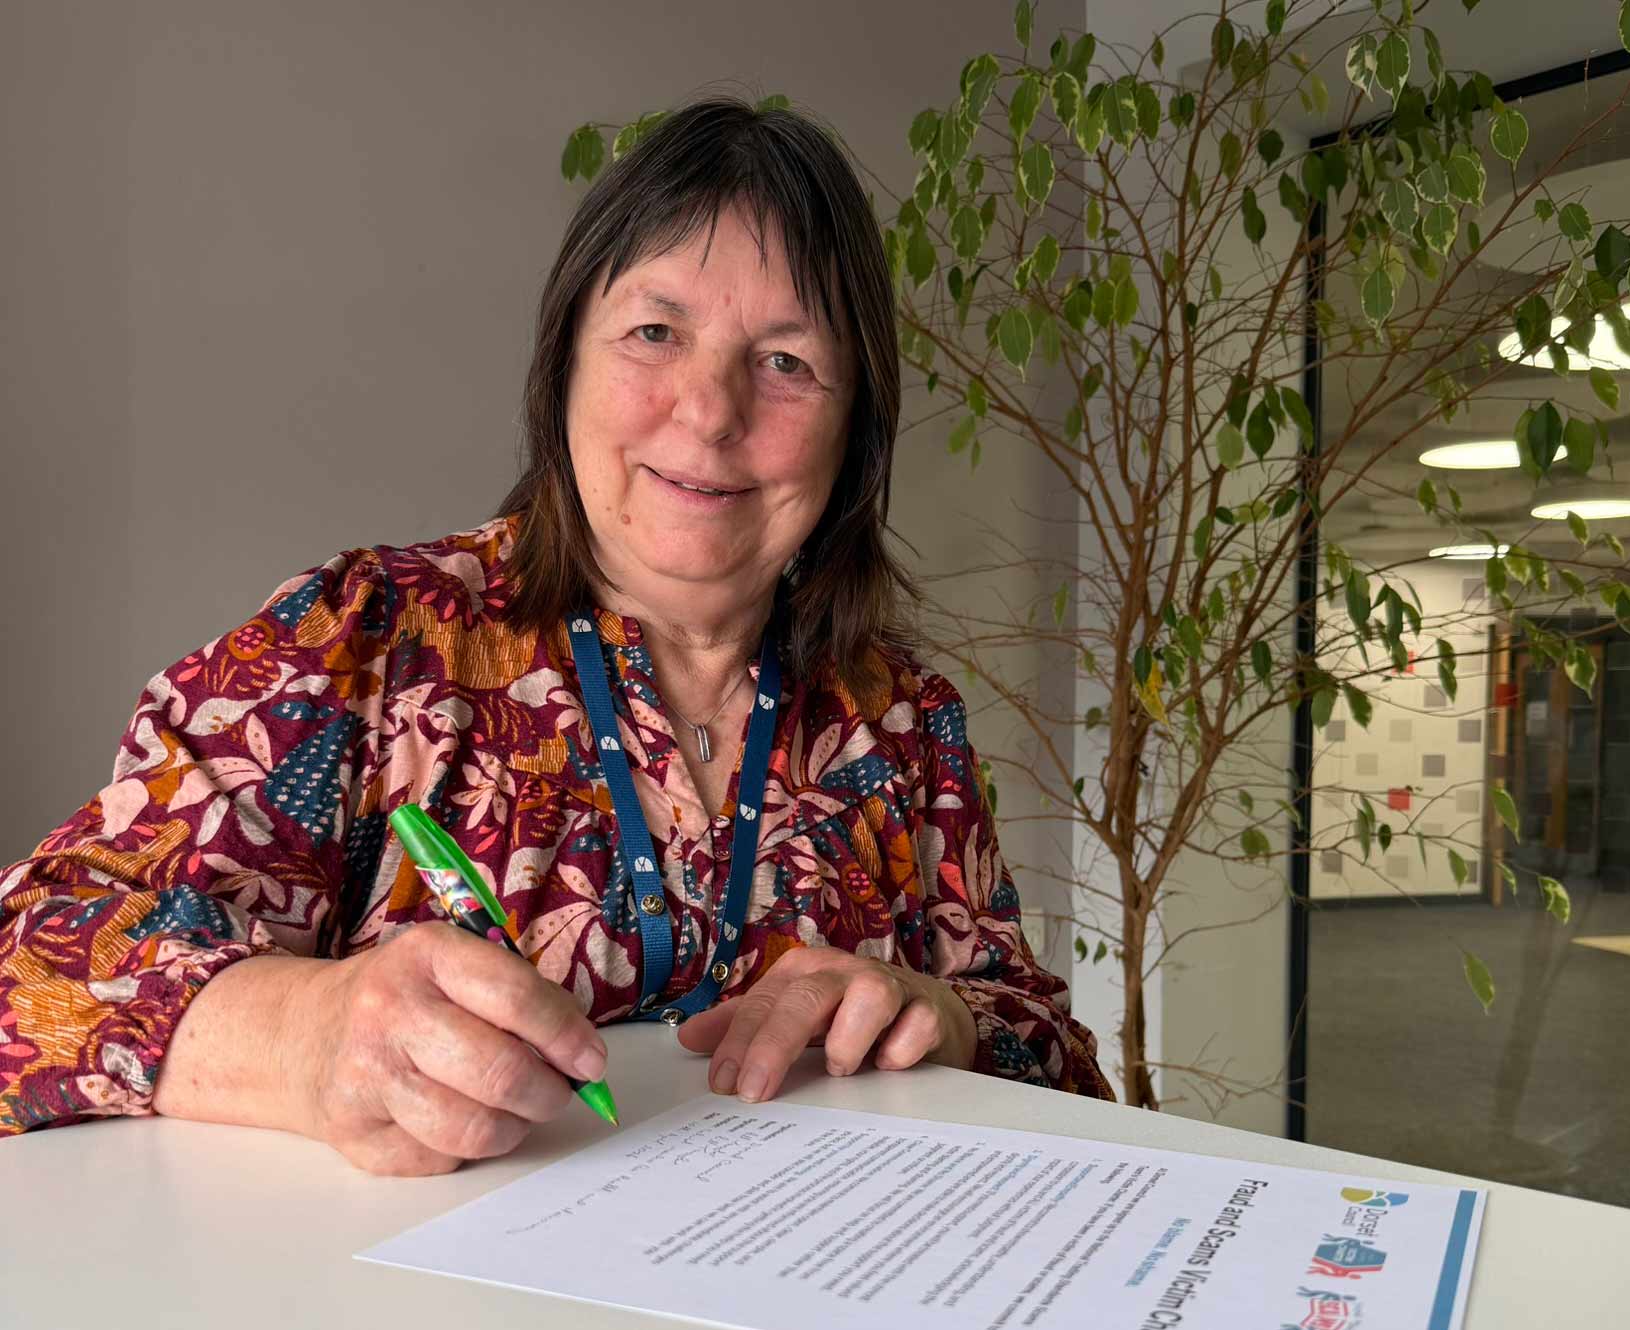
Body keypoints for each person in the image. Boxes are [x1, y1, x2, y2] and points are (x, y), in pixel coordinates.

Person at [0, 95, 1114, 1175]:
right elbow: (28, 964)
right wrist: (305, 1033)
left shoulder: (901, 716)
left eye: (786, 362)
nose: (710, 409)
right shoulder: (364, 640)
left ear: (853, 427)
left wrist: (947, 1020)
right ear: (564, 361)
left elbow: (1065, 1075)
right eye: (653, 332)